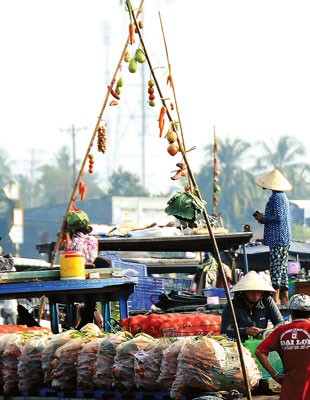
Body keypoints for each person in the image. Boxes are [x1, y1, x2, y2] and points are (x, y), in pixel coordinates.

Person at [255, 294, 310, 400]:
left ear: (292, 313)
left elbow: (259, 351)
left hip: (290, 390)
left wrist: (274, 374)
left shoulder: (281, 330)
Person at [253, 168, 292, 305]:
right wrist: (263, 219)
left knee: (276, 267)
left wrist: (263, 218)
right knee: (281, 268)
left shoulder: (277, 198)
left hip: (278, 239)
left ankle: (276, 299)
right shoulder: (281, 197)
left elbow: (278, 217)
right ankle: (285, 298)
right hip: (282, 238)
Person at [220, 270, 284, 342]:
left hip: (262, 340)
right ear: (244, 292)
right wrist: (245, 331)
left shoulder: (267, 301)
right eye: (251, 291)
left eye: (258, 292)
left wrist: (270, 331)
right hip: (239, 342)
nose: (255, 295)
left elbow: (280, 323)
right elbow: (225, 330)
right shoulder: (232, 305)